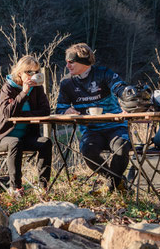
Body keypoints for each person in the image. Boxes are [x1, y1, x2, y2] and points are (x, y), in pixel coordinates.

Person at [55, 43, 131, 191]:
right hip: (91, 129)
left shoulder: (103, 73)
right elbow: (60, 107)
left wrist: (128, 101)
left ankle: (112, 185)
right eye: (66, 62)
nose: (67, 65)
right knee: (87, 150)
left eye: (71, 62)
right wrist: (66, 111)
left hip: (115, 126)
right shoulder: (66, 83)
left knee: (121, 148)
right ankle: (116, 181)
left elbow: (120, 87)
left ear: (83, 62)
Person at [0, 55, 53, 197]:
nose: (33, 75)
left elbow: (45, 111)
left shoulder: (37, 89)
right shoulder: (8, 88)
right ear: (19, 73)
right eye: (29, 72)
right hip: (2, 137)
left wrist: (22, 115)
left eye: (36, 72)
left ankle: (43, 186)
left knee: (46, 142)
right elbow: (6, 113)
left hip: (26, 137)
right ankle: (15, 188)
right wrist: (23, 92)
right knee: (14, 143)